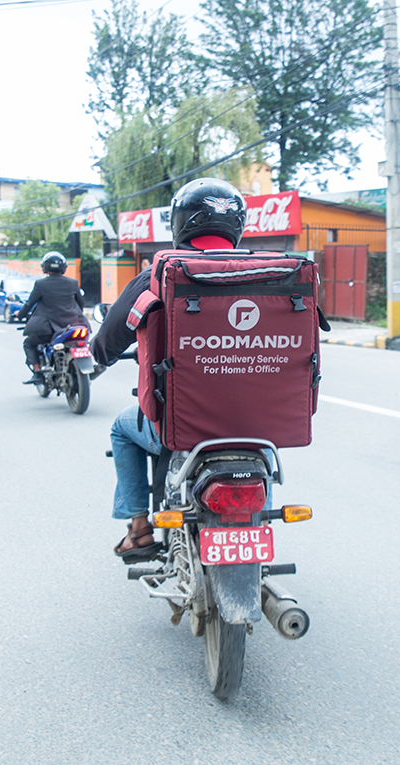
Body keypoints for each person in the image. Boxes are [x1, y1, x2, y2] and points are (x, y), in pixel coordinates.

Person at [92, 178, 247, 563]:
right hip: (256, 424)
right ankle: (253, 523)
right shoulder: (274, 272)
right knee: (255, 449)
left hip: (179, 425)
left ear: (181, 223)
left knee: (121, 429)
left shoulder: (158, 275)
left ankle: (140, 527)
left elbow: (107, 343)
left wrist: (102, 356)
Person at [17, 252, 88, 385]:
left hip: (50, 329)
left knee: (28, 343)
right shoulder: (73, 282)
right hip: (74, 325)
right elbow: (81, 303)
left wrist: (20, 315)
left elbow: (29, 304)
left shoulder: (40, 284)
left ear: (45, 267)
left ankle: (38, 373)